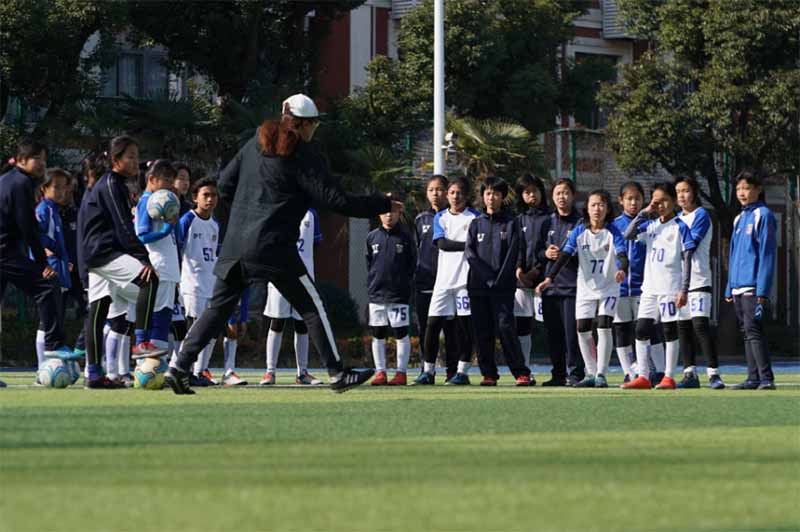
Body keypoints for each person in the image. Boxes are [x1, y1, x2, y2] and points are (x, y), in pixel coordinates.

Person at [166, 94, 401, 394]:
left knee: (216, 309)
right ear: (303, 124)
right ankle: (338, 372)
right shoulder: (304, 153)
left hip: (236, 243)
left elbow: (224, 184)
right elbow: (336, 200)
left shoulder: (255, 143)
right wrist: (380, 203)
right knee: (311, 305)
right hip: (273, 246)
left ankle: (178, 367)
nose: (315, 128)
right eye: (314, 123)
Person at [78, 135, 166, 388]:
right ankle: (140, 343)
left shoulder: (112, 184)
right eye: (130, 156)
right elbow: (123, 226)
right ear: (115, 160)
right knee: (150, 279)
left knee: (98, 311)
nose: (135, 161)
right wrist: (143, 257)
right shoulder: (110, 184)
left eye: (137, 156)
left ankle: (93, 375)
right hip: (104, 252)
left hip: (95, 254)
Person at [537, 189, 628, 388]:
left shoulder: (613, 232)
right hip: (586, 288)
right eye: (594, 204)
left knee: (604, 325)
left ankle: (602, 374)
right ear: (587, 208)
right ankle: (591, 372)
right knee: (582, 328)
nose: (597, 208)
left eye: (602, 204)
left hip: (609, 288)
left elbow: (622, 254)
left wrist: (622, 270)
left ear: (607, 208)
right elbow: (565, 255)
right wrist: (549, 278)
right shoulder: (580, 231)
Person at [0, 139, 71, 363]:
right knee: (47, 287)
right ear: (21, 160)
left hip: (5, 252)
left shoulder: (8, 179)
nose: (42, 163)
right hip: (4, 254)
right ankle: (53, 344)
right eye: (37, 158)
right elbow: (28, 227)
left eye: (44, 159)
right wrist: (43, 265)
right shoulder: (20, 184)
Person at [622, 182, 695, 390]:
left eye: (664, 201)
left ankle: (669, 376)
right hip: (650, 289)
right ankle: (644, 376)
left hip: (670, 288)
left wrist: (684, 288)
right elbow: (628, 235)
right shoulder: (651, 225)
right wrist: (644, 213)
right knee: (641, 329)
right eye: (656, 201)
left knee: (669, 330)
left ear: (673, 201)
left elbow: (687, 259)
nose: (660, 205)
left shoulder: (680, 227)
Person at [465, 177, 532, 386]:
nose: (491, 197)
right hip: (478, 287)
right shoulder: (475, 224)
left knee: (505, 328)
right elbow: (470, 254)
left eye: (495, 193)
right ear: (483, 197)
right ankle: (489, 374)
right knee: (482, 330)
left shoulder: (511, 223)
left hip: (503, 288)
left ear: (502, 197)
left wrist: (499, 280)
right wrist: (486, 278)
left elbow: (514, 253)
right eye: (487, 193)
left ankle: (521, 373)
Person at [413, 177, 480, 386]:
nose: (455, 196)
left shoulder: (475, 218)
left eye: (459, 192)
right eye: (452, 192)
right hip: (442, 281)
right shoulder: (440, 218)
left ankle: (461, 371)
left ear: (466, 195)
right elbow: (442, 243)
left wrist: (469, 247)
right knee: (432, 325)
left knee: (464, 327)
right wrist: (467, 245)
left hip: (464, 283)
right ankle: (428, 371)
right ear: (447, 195)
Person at [725, 170, 777, 390]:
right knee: (747, 332)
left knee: (753, 331)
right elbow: (733, 254)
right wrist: (729, 287)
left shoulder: (763, 215)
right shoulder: (739, 218)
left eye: (746, 188)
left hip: (753, 286)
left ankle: (766, 378)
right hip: (737, 287)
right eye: (738, 189)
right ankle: (752, 377)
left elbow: (767, 254)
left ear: (758, 189)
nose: (741, 193)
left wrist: (762, 291)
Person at [261, 209, 324, 386]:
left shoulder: (311, 214)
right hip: (279, 274)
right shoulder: (277, 209)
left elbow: (315, 243)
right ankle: (270, 372)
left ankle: (302, 372)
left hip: (303, 276)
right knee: (277, 322)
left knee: (302, 323)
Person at [612, 181, 667, 385]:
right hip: (619, 289)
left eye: (637, 198)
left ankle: (659, 371)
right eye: (629, 198)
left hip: (644, 288)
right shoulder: (614, 225)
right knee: (621, 330)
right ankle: (629, 372)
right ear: (621, 201)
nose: (633, 202)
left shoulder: (649, 225)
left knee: (649, 329)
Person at [674, 176, 725, 389]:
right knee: (683, 327)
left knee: (700, 326)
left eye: (685, 190)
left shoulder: (701, 215)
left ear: (694, 192)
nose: (682, 196)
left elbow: (689, 245)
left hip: (698, 280)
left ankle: (714, 374)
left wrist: (673, 225)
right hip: (676, 283)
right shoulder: (675, 218)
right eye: (678, 192)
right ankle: (689, 373)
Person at [133, 160, 181, 366]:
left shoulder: (160, 200)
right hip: (158, 266)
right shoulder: (148, 201)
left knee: (164, 316)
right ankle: (147, 367)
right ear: (152, 179)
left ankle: (155, 366)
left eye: (172, 180)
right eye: (167, 180)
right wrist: (166, 229)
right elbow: (142, 235)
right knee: (158, 316)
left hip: (169, 268)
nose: (170, 185)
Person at [365, 195, 415, 386]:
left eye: (392, 211)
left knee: (400, 332)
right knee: (378, 333)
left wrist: (404, 283)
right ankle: (380, 372)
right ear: (379, 214)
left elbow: (412, 263)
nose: (388, 215)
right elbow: (369, 263)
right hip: (377, 294)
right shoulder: (372, 237)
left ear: (398, 212)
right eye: (385, 211)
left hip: (398, 294)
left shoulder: (405, 237)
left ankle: (401, 373)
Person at [539, 178, 583, 386]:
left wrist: (568, 255)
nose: (561, 197)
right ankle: (557, 374)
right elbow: (536, 252)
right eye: (558, 193)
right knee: (553, 334)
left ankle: (575, 373)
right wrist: (545, 253)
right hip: (550, 288)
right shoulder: (546, 222)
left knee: (572, 336)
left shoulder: (581, 222)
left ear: (573, 195)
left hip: (572, 287)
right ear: (552, 197)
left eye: (565, 193)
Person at [413, 175, 456, 377]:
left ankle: (452, 370)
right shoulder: (420, 219)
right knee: (426, 329)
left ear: (447, 192)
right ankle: (426, 370)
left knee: (452, 330)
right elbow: (415, 250)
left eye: (439, 189)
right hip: (425, 283)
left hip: (449, 282)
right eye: (431, 190)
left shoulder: (453, 218)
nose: (435, 194)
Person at [34, 168, 74, 372]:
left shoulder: (55, 211)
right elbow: (37, 237)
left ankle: (47, 365)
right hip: (50, 271)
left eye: (63, 187)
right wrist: (46, 261)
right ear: (44, 189)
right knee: (47, 318)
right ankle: (43, 368)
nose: (61, 191)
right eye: (55, 187)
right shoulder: (44, 210)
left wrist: (65, 261)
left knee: (55, 317)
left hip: (59, 268)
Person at [514, 174, 549, 373]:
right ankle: (524, 370)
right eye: (526, 192)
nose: (531, 195)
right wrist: (519, 270)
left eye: (534, 191)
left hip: (544, 281)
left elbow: (550, 250)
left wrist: (536, 272)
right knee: (523, 326)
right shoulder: (519, 220)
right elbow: (517, 247)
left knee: (551, 326)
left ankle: (561, 371)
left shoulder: (550, 218)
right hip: (522, 282)